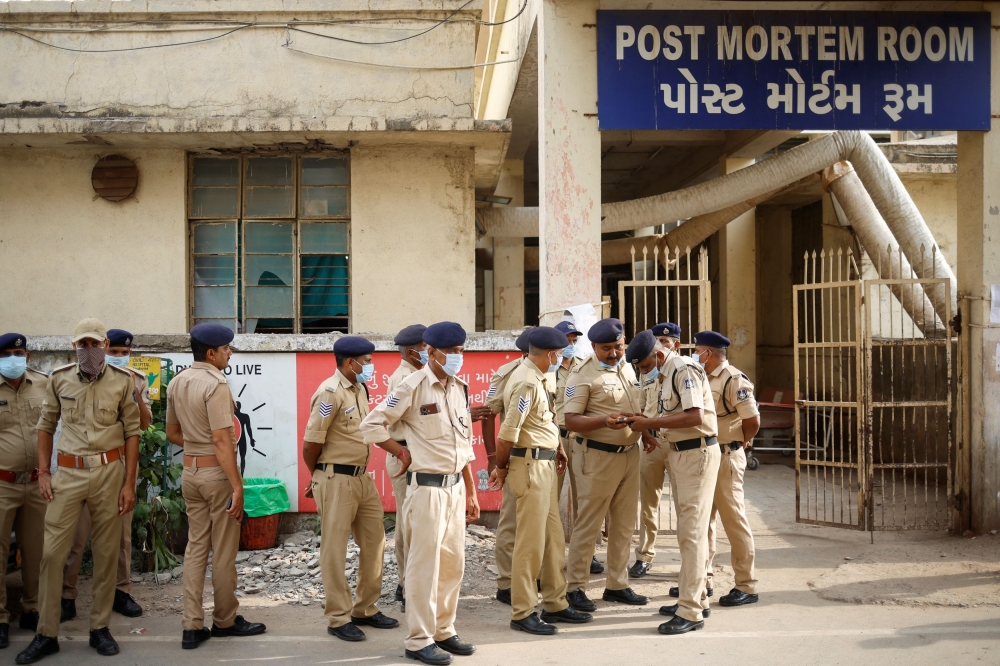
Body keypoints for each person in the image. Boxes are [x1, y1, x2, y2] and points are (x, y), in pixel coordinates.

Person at [16, 319, 141, 663]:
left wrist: (129, 484)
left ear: (104, 343)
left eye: (94, 344)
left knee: (104, 554)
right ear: (74, 347)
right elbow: (46, 426)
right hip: (68, 473)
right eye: (82, 345)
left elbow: (133, 433)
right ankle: (46, 633)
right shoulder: (59, 379)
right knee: (52, 554)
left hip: (109, 473)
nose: (89, 351)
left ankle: (99, 629)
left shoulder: (122, 381)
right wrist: (43, 472)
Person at [361, 321, 480, 666]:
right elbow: (371, 425)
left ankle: (444, 630)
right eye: (452, 352)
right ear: (431, 352)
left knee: (452, 565)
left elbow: (465, 445)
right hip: (426, 490)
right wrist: (400, 451)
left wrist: (470, 490)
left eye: (461, 351)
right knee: (423, 567)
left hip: (455, 488)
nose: (458, 358)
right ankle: (418, 640)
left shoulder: (459, 387)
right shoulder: (412, 385)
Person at [165, 324, 265, 651]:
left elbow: (172, 433)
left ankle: (191, 626)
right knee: (223, 550)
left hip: (191, 473)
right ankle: (224, 621)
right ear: (211, 353)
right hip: (216, 476)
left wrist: (197, 444)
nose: (229, 353)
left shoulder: (178, 381)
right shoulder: (216, 384)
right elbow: (223, 442)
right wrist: (238, 487)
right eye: (226, 349)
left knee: (195, 548)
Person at [491, 327, 592, 635]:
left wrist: (558, 448)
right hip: (529, 465)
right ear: (550, 354)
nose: (560, 359)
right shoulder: (524, 381)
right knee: (530, 543)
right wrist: (502, 467)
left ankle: (555, 602)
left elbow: (547, 419)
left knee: (552, 539)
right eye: (559, 354)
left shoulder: (539, 376)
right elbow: (508, 432)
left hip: (545, 461)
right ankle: (522, 611)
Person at [302, 335, 398, 642]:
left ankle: (365, 608)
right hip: (336, 479)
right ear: (349, 362)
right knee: (335, 549)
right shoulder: (329, 393)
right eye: (367, 361)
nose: (371, 366)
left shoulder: (359, 388)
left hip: (361, 478)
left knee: (375, 541)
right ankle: (338, 617)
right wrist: (317, 476)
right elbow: (311, 444)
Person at [627, 329, 719, 635]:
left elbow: (695, 416)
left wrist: (651, 424)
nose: (643, 372)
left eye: (643, 366)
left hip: (698, 453)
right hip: (682, 453)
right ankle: (695, 597)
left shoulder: (683, 370)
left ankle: (691, 611)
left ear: (658, 355)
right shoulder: (665, 373)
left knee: (691, 533)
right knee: (689, 530)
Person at [61, 329, 150, 622]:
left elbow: (145, 424)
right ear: (105, 349)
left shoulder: (134, 380)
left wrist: (133, 391)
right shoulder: (78, 377)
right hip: (82, 467)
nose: (120, 358)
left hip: (120, 467)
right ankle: (67, 594)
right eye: (116, 353)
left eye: (126, 354)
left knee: (122, 536)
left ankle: (120, 592)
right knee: (77, 536)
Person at [562, 318, 649, 613]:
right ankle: (575, 588)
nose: (614, 353)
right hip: (597, 458)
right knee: (588, 526)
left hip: (629, 454)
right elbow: (570, 420)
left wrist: (645, 433)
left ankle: (617, 584)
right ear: (594, 347)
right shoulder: (581, 375)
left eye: (618, 346)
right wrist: (602, 421)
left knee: (624, 525)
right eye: (606, 349)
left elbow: (636, 407)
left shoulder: (627, 366)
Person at [695, 331, 760, 608]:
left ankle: (746, 585)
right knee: (704, 520)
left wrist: (743, 441)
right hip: (706, 456)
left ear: (708, 353)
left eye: (698, 350)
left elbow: (752, 419)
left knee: (734, 521)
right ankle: (703, 578)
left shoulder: (734, 379)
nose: (695, 354)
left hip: (726, 456)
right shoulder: (702, 377)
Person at [0, 333, 47, 649]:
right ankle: (1, 618)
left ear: (28, 356)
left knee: (37, 552)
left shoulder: (43, 384)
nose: (14, 358)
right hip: (2, 484)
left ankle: (32, 609)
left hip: (35, 482)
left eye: (19, 352)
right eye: (7, 353)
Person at [629, 323, 681, 579]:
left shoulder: (683, 372)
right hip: (651, 443)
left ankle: (691, 562)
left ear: (676, 345)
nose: (661, 344)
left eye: (666, 341)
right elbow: (641, 408)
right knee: (649, 503)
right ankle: (644, 555)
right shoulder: (646, 372)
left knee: (685, 505)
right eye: (657, 340)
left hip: (678, 445)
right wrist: (645, 433)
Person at [385, 324, 428, 610]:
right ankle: (406, 585)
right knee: (407, 524)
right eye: (426, 348)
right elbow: (395, 421)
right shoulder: (404, 379)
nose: (430, 352)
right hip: (406, 455)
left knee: (413, 521)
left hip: (418, 454)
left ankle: (409, 583)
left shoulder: (418, 375)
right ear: (413, 351)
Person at [486, 329, 530, 606]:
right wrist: (492, 457)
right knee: (511, 521)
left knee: (538, 523)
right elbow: (489, 413)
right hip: (514, 455)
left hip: (544, 457)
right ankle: (505, 582)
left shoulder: (552, 371)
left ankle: (531, 576)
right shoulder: (508, 372)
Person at [234, 401, 255, 476]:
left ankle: (240, 476)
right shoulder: (244, 416)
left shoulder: (233, 417)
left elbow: (248, 428)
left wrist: (251, 439)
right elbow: (248, 429)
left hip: (236, 439)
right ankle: (240, 475)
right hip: (240, 438)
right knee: (240, 457)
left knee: (238, 457)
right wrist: (251, 439)